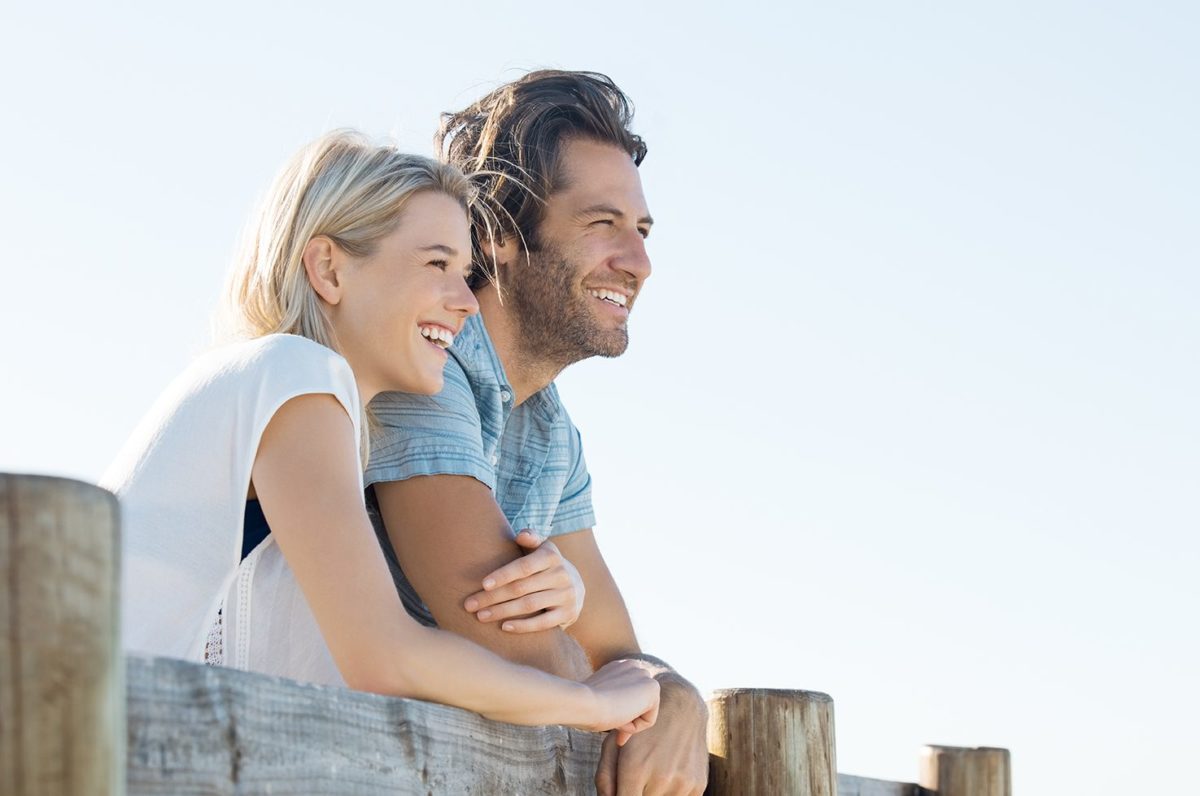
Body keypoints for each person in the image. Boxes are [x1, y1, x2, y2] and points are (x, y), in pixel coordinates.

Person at [100, 129, 659, 739]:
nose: (466, 301)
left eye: (465, 270)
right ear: (329, 269)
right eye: (437, 265)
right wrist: (593, 703)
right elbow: (386, 656)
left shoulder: (319, 413)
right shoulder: (293, 375)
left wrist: (564, 596)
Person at [367, 71, 709, 794]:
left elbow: (617, 652)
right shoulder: (425, 362)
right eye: (601, 224)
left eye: (641, 231)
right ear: (498, 235)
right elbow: (510, 646)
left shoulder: (549, 428)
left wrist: (676, 696)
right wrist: (621, 682)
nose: (639, 263)